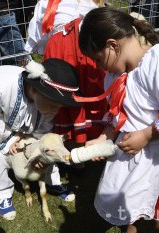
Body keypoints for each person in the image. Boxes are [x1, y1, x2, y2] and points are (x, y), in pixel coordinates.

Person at [76, 7, 159, 233]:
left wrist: (147, 135)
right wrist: (103, 137)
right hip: (138, 153)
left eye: (98, 59)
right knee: (132, 205)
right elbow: (117, 115)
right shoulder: (116, 76)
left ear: (113, 45)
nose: (99, 67)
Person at [0, 58, 81, 220]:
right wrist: (9, 141)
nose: (56, 111)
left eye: (59, 106)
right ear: (36, 90)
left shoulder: (47, 103)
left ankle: (53, 181)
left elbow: (43, 133)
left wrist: (37, 150)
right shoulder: (1, 89)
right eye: (53, 105)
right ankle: (1, 191)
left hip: (24, 100)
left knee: (44, 143)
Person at [25, 0, 107, 148]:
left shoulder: (48, 2)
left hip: (77, 45)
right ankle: (73, 141)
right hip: (66, 46)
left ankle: (86, 139)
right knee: (62, 92)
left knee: (81, 90)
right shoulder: (48, 2)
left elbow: (38, 32)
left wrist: (40, 47)